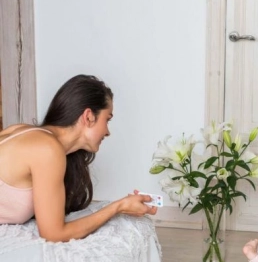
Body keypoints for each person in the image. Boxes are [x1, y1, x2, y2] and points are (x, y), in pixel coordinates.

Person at [0, 74, 157, 241]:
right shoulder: (46, 149)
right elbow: (54, 234)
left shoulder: (23, 131)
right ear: (88, 117)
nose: (108, 132)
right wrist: (118, 207)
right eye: (107, 119)